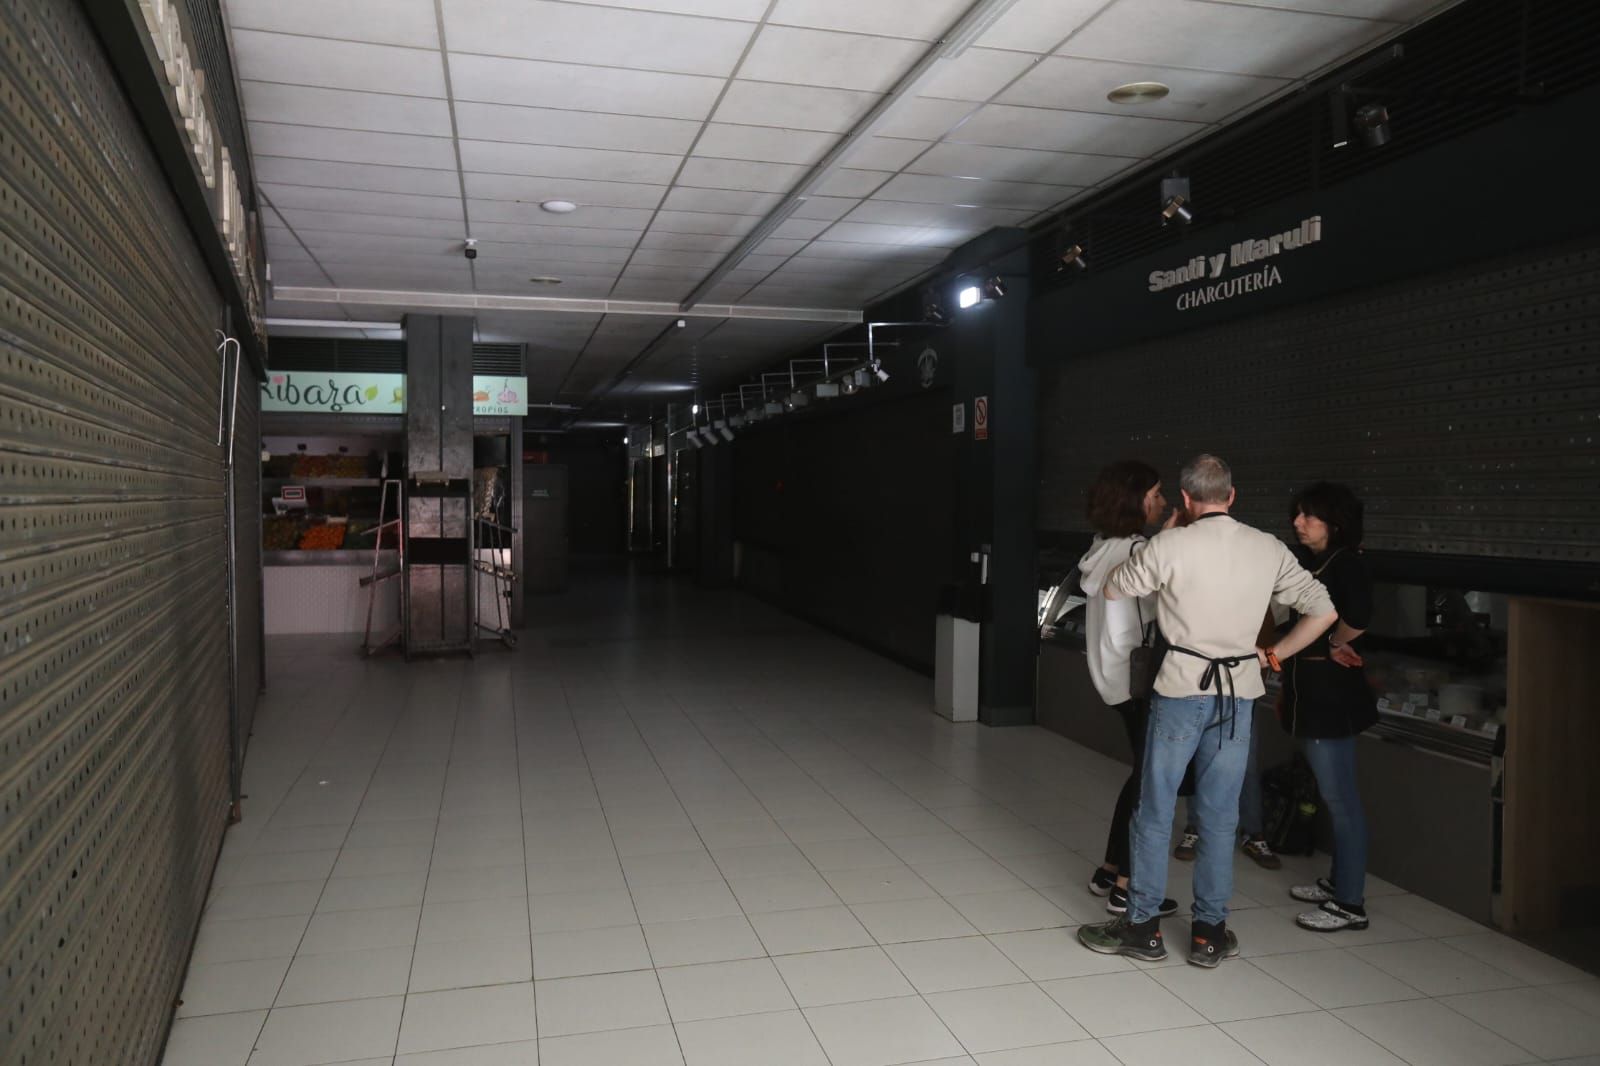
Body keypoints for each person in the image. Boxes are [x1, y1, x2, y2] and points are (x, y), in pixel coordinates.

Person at [1079, 454, 1337, 968]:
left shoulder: (1171, 544)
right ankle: (1209, 933)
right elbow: (1324, 609)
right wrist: (1275, 655)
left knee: (1155, 811)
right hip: (1240, 695)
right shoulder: (1267, 547)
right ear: (1232, 496)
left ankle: (1143, 927)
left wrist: (1164, 548)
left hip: (1178, 691)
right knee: (1221, 818)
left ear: (1189, 500)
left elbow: (1111, 587)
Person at [1078, 461, 1179, 919]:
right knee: (1151, 782)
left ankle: (1110, 869)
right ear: (1136, 500)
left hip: (1112, 676)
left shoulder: (1103, 546)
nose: (1162, 502)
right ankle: (1127, 887)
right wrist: (1174, 544)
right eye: (1156, 494)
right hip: (1138, 679)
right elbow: (1165, 607)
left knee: (1142, 774)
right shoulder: (1138, 550)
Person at [1279, 481, 1377, 932]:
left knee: (1341, 799)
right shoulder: (1320, 562)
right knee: (1335, 793)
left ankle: (1350, 904)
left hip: (1330, 697)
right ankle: (1340, 882)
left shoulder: (1347, 564)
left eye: (1309, 516)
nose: (1299, 523)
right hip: (1312, 691)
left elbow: (1358, 615)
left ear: (1334, 523)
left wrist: (1337, 641)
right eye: (1297, 514)